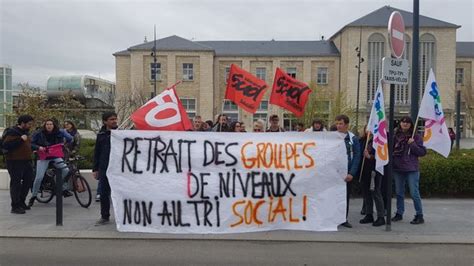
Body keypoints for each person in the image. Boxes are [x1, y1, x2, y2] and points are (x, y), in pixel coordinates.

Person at [28, 119, 73, 207]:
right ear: (44, 125)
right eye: (47, 124)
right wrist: (38, 147)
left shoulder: (59, 132)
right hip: (43, 157)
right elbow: (31, 143)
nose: (49, 126)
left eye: (51, 124)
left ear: (54, 125)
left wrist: (64, 141)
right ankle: (33, 196)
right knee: (39, 177)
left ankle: (62, 187)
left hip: (55, 155)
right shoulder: (38, 133)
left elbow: (70, 139)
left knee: (66, 170)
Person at [392, 116, 427, 225]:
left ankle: (419, 214)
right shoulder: (395, 136)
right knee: (399, 192)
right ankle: (399, 212)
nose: (405, 124)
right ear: (400, 123)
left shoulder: (415, 137)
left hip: (411, 168)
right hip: (398, 168)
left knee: (414, 192)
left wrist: (412, 144)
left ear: (411, 124)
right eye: (403, 122)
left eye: (407, 122)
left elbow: (422, 152)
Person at [2, 115, 35, 214]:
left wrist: (34, 149)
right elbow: (6, 146)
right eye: (29, 124)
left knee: (28, 181)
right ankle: (15, 206)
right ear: (22, 123)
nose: (30, 126)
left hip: (26, 161)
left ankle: (21, 202)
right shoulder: (12, 132)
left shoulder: (25, 132)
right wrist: (20, 139)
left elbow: (27, 144)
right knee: (16, 183)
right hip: (15, 161)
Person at [335, 114, 361, 228]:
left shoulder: (352, 138)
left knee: (344, 196)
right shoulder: (332, 136)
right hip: (334, 172)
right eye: (337, 123)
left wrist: (352, 173)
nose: (338, 126)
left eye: (341, 123)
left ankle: (343, 218)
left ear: (346, 125)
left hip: (347, 173)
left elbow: (357, 156)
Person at [93, 112, 118, 225]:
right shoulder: (101, 135)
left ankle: (121, 215)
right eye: (111, 119)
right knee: (104, 193)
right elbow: (97, 152)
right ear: (105, 121)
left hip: (118, 168)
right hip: (104, 168)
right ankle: (104, 215)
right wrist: (95, 169)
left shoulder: (119, 133)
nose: (114, 121)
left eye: (115, 119)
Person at [358, 126, 385, 226]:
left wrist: (370, 156)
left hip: (374, 170)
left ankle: (381, 216)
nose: (368, 131)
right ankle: (369, 214)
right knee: (366, 193)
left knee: (375, 192)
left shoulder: (379, 141)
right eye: (367, 128)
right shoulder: (362, 140)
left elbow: (382, 155)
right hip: (364, 170)